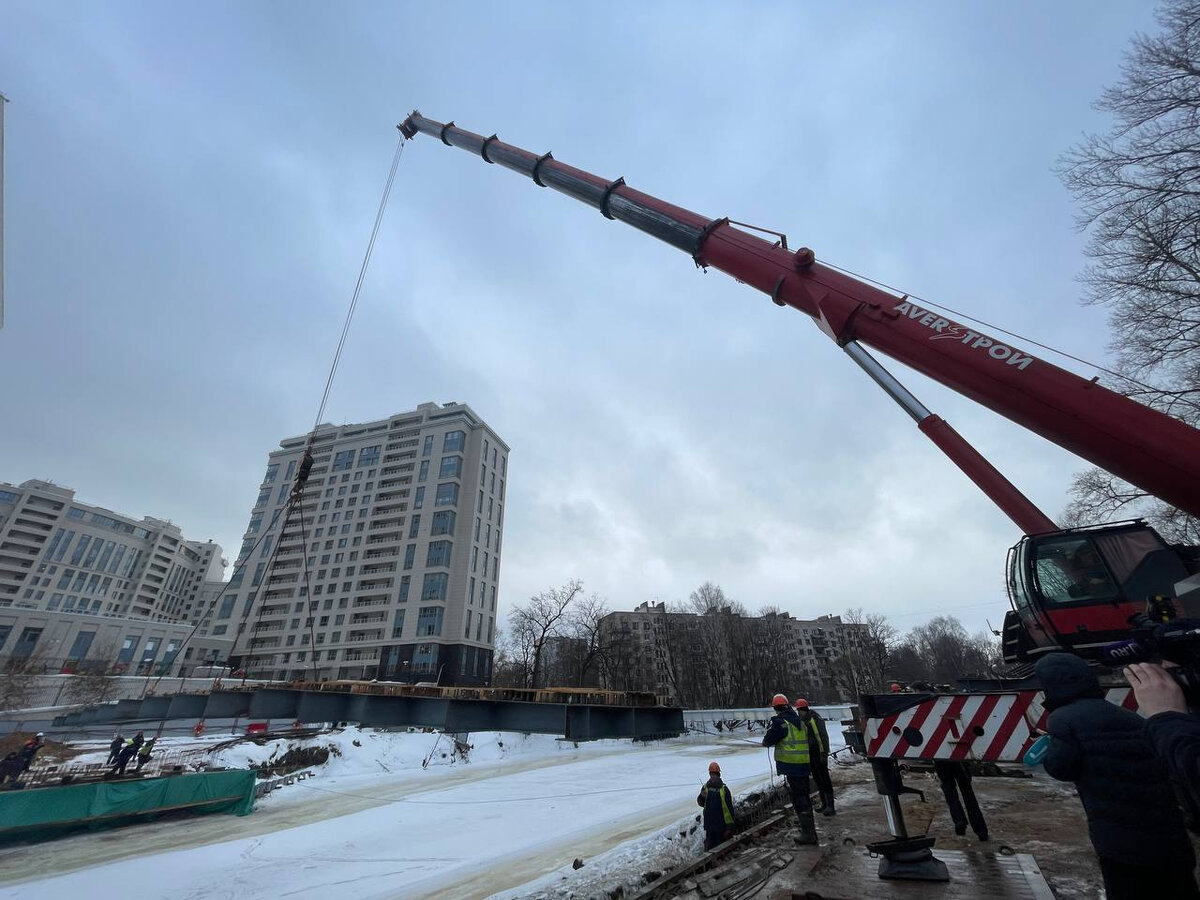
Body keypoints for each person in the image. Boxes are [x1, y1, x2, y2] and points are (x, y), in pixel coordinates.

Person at [1036, 653, 1198, 899]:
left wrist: (1048, 749)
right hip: (1167, 833)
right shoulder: (1130, 716)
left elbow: (1061, 768)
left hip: (1118, 836)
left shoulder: (1062, 719)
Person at [762, 692, 818, 844]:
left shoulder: (781, 723)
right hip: (804, 765)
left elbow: (770, 739)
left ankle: (808, 834)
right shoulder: (799, 721)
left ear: (775, 708)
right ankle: (809, 830)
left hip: (792, 766)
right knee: (804, 796)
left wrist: (765, 742)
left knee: (799, 798)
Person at [794, 699, 834, 815]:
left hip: (819, 754)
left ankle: (830, 806)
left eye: (799, 710)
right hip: (811, 754)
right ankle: (824, 804)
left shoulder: (814, 719)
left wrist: (824, 754)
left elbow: (823, 737)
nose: (798, 713)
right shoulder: (804, 721)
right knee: (818, 779)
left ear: (802, 709)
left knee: (824, 779)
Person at [933, 760, 988, 841]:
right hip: (959, 761)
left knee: (950, 793)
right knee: (968, 795)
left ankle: (959, 820)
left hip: (942, 761)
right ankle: (981, 830)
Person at [696, 761, 735, 851]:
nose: (713, 776)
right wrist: (730, 827)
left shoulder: (707, 788)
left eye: (713, 774)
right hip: (718, 825)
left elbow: (701, 803)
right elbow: (730, 809)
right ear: (718, 774)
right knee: (719, 848)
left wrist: (702, 796)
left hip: (712, 825)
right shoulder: (723, 789)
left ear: (710, 773)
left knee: (712, 848)